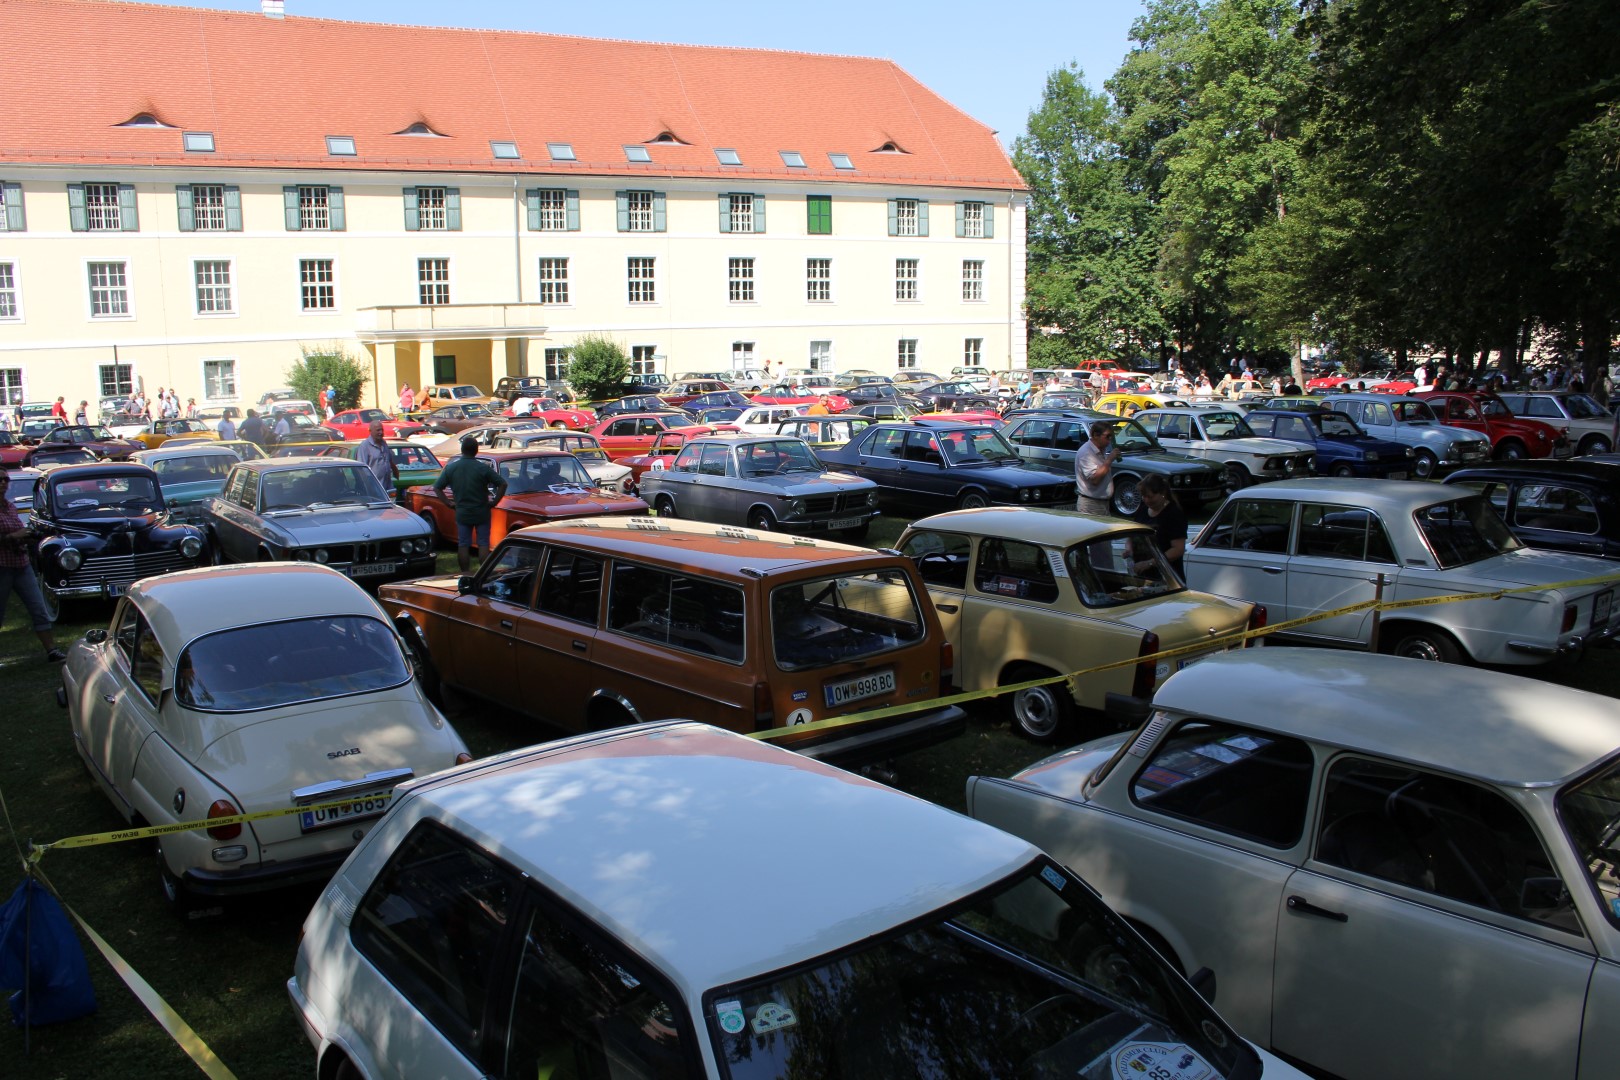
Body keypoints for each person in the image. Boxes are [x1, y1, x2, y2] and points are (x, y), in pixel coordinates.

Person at [0, 471, 63, 662]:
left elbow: (19, 530)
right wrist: (13, 536)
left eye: (5, 480)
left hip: (21, 564)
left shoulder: (10, 507)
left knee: (38, 607)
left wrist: (26, 536)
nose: (3, 483)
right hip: (1, 567)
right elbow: (12, 534)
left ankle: (51, 650)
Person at [434, 436, 507, 573]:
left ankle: (465, 573)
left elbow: (437, 487)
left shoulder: (451, 468)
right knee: (483, 543)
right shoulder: (482, 468)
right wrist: (495, 502)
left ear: (462, 450)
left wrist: (448, 503)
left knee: (463, 544)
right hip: (482, 511)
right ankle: (483, 573)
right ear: (476, 450)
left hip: (462, 512)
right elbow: (502, 483)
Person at [1130, 474, 1187, 579]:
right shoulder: (1142, 510)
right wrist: (1129, 548)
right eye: (1144, 496)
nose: (1146, 500)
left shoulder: (1173, 514)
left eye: (1150, 497)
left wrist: (1150, 563)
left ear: (1162, 493)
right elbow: (1132, 533)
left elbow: (1178, 549)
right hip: (1143, 576)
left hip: (1167, 577)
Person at [1074, 420, 1119, 515]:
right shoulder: (1085, 453)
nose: (1109, 440)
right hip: (1091, 505)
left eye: (1111, 436)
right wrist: (1109, 460)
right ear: (1095, 435)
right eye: (1107, 436)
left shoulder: (1101, 450)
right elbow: (1095, 480)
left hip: (1103, 504)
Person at [356, 419, 398, 498]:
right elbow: (361, 470)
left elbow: (389, 460)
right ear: (370, 431)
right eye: (378, 430)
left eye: (382, 430)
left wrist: (395, 470)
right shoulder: (365, 446)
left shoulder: (384, 443)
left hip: (387, 487)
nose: (381, 432)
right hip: (373, 489)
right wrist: (368, 488)